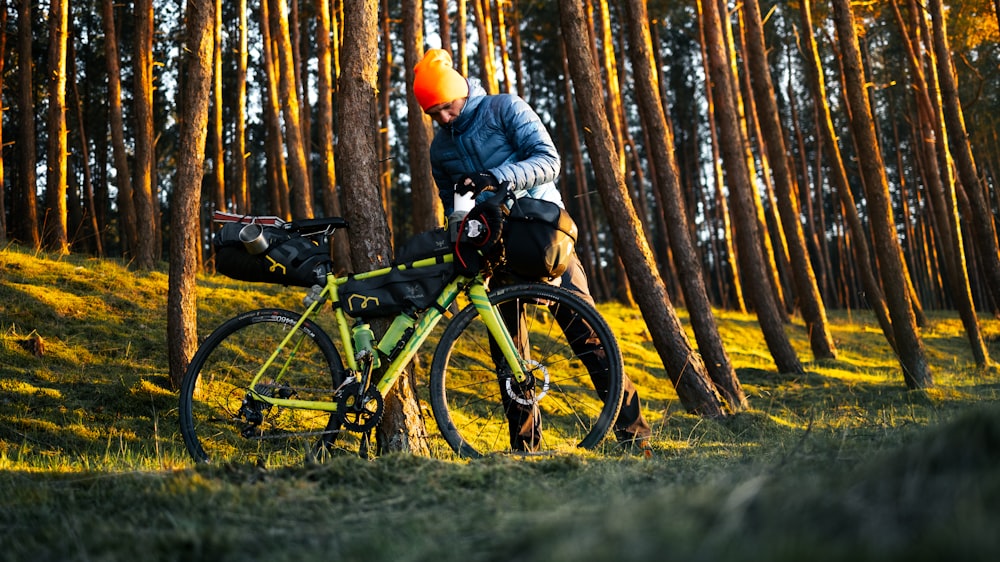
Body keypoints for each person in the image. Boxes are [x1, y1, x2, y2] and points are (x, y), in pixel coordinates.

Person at [412, 49, 652, 453]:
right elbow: (451, 202)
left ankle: (635, 437)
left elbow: (548, 161)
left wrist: (494, 178)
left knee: (590, 338)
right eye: (433, 113)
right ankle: (526, 450)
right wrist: (463, 250)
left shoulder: (504, 109)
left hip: (541, 237)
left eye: (447, 107)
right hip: (493, 252)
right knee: (510, 359)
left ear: (460, 92)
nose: (443, 119)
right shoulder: (440, 150)